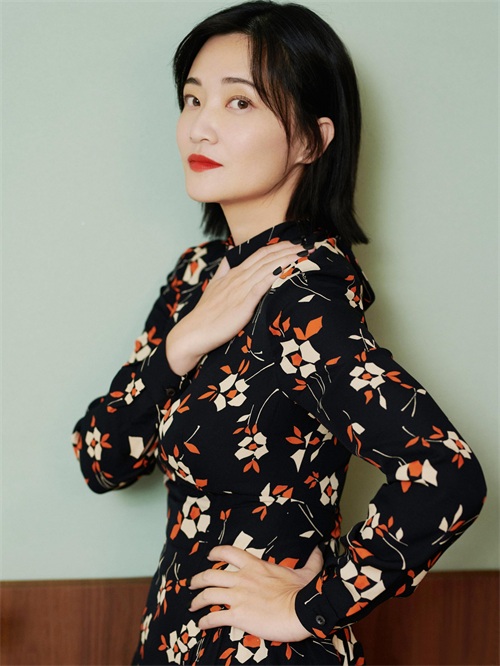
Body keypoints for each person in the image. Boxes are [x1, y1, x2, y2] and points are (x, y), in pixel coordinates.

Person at [72, 2, 486, 664]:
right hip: (173, 641)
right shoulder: (197, 275)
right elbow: (102, 461)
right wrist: (181, 344)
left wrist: (311, 606)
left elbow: (446, 473)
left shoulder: (304, 292)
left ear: (310, 142)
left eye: (239, 103)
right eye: (192, 99)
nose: (200, 126)